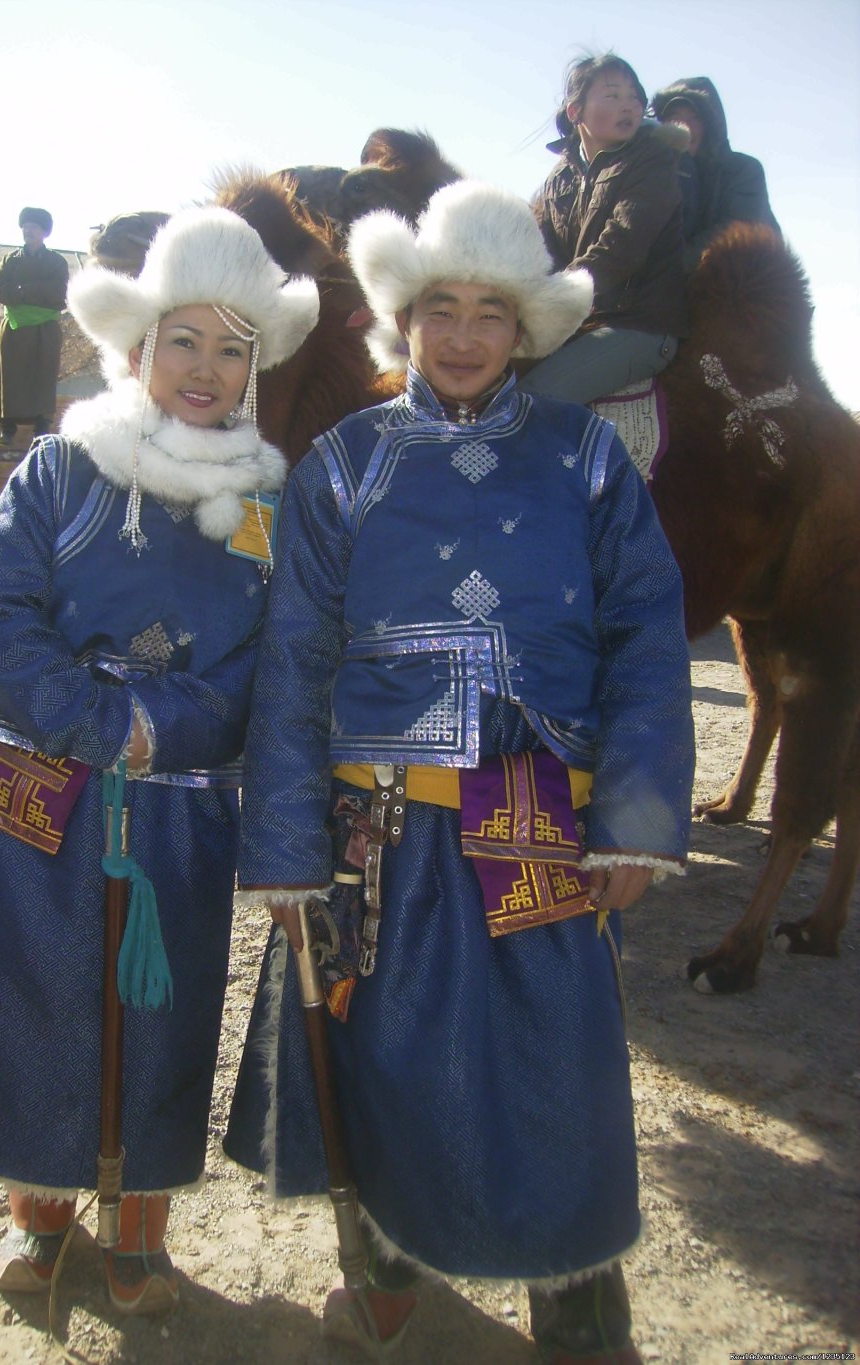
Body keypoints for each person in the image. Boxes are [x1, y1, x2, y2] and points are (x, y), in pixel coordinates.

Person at [223, 180, 694, 1364]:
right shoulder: (344, 462)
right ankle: (378, 1273)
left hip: (542, 820)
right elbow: (295, 656)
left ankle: (579, 1309)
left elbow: (644, 626)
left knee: (558, 1075)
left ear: (526, 323)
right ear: (404, 316)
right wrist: (283, 847)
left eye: (493, 309)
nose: (468, 334)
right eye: (443, 307)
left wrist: (635, 816)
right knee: (373, 1055)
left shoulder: (586, 456)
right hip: (377, 834)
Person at [0, 209, 319, 1313]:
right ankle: (42, 1224)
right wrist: (93, 722)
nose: (207, 367)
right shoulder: (62, 465)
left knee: (158, 1016)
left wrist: (162, 731)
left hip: (179, 807)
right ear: (138, 346)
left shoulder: (264, 502)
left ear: (255, 365)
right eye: (185, 339)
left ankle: (138, 1240)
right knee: (36, 1000)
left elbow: (269, 659)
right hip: (35, 784)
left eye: (233, 346)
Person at [520, 54, 687, 405]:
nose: (628, 105)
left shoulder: (652, 160)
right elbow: (540, 254)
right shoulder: (559, 177)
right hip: (580, 322)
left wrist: (551, 298)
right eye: (612, 95)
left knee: (535, 399)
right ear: (575, 111)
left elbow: (620, 247)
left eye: (634, 97)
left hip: (639, 325)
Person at [651, 76, 780, 267]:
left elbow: (734, 232)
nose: (685, 126)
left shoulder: (743, 170)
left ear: (711, 124)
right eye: (674, 117)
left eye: (695, 118)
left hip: (737, 285)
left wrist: (665, 270)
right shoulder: (651, 173)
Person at [0, 207, 70, 446]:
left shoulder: (56, 262)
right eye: (25, 227)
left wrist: (22, 291)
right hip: (14, 328)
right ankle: (7, 428)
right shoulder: (9, 261)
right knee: (8, 377)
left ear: (44, 233)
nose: (29, 231)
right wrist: (29, 292)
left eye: (34, 227)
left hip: (45, 331)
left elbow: (59, 293)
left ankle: (41, 429)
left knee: (42, 378)